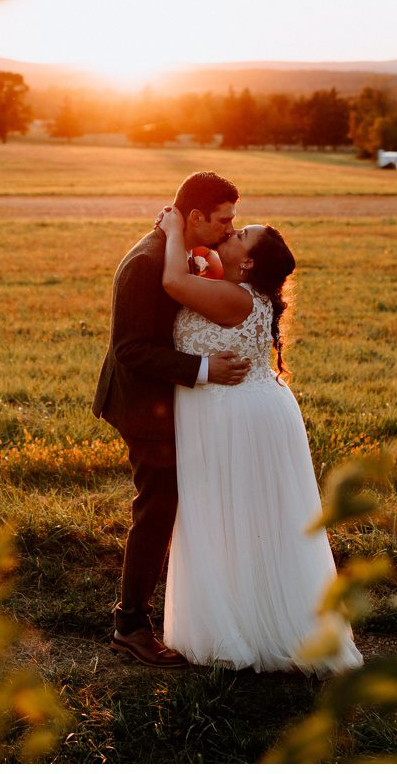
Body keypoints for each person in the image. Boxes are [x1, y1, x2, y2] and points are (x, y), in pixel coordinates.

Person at [155, 205, 363, 674]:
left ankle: (254, 627)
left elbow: (172, 283)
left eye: (240, 233)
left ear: (247, 263)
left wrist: (173, 230)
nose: (231, 229)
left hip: (237, 418)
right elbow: (202, 276)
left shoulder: (239, 299)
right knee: (228, 519)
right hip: (229, 411)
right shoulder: (230, 287)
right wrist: (204, 255)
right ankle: (238, 617)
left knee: (241, 519)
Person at [92, 172, 249, 667]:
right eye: (224, 220)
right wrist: (204, 369)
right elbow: (129, 349)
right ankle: (131, 626)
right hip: (144, 408)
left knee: (169, 506)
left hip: (166, 401)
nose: (230, 229)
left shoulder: (179, 246)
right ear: (195, 217)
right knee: (156, 510)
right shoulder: (144, 264)